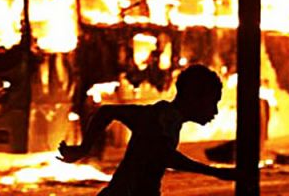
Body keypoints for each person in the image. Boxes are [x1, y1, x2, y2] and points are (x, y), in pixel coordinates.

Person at [58, 64, 236, 195]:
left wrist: (85, 147)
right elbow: (164, 155)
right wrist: (215, 172)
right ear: (193, 98)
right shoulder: (164, 118)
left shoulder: (158, 114)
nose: (214, 111)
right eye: (212, 102)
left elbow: (108, 111)